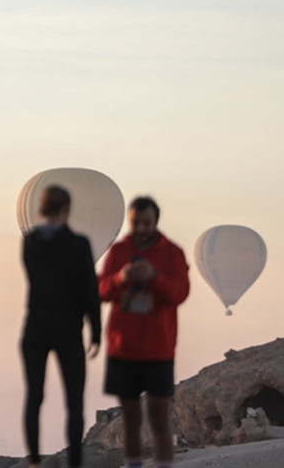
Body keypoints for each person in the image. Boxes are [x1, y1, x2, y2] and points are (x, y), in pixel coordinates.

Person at [98, 196, 189, 468]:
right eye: (135, 222)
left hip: (158, 347)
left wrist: (154, 278)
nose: (140, 228)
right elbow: (101, 291)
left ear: (155, 222)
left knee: (159, 416)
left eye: (146, 223)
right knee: (131, 418)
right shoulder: (118, 252)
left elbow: (180, 293)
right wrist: (120, 278)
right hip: (123, 347)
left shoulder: (172, 253)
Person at [21, 185, 101, 468]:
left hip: (36, 327)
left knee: (34, 397)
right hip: (68, 329)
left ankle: (32, 460)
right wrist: (96, 330)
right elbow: (89, 290)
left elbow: (37, 280)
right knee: (74, 401)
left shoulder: (30, 242)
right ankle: (75, 462)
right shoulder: (78, 245)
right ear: (66, 208)